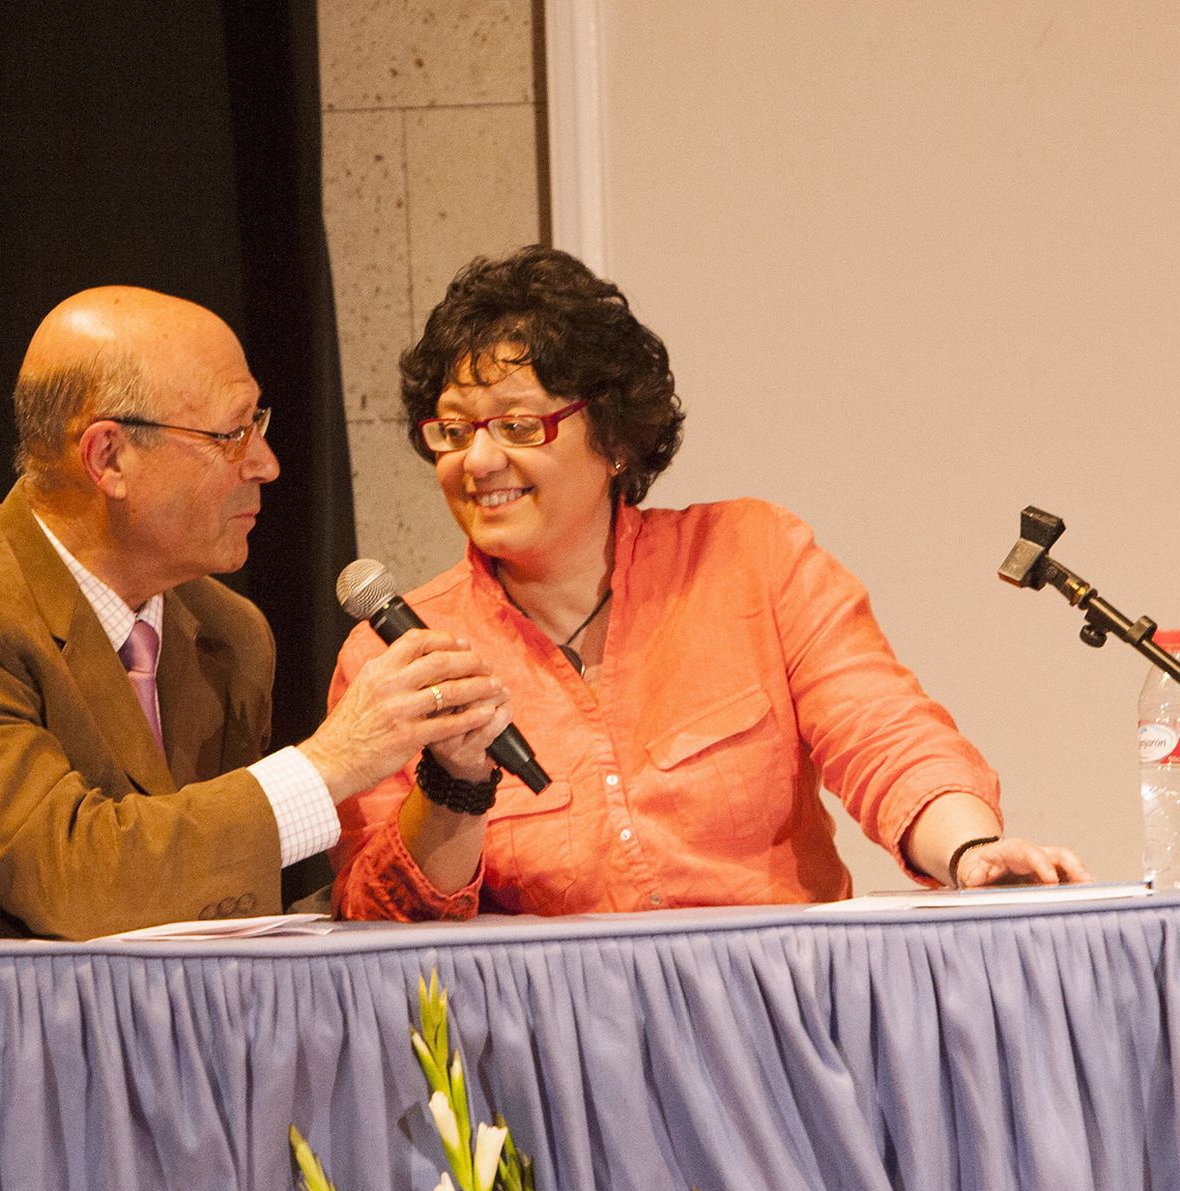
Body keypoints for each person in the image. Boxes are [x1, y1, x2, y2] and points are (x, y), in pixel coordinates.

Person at [328, 246, 1087, 918]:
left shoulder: (753, 557)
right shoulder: (397, 657)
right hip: (553, 1049)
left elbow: (884, 733)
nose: (478, 461)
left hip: (785, 1017)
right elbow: (378, 915)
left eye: (519, 426)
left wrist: (968, 851)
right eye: (455, 431)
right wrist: (456, 782)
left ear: (616, 437)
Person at [0, 286, 510, 945]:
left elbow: (220, 903)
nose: (266, 463)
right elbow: (80, 883)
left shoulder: (227, 632)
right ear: (109, 456)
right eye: (232, 433)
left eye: (258, 422)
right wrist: (332, 762)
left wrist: (451, 786)